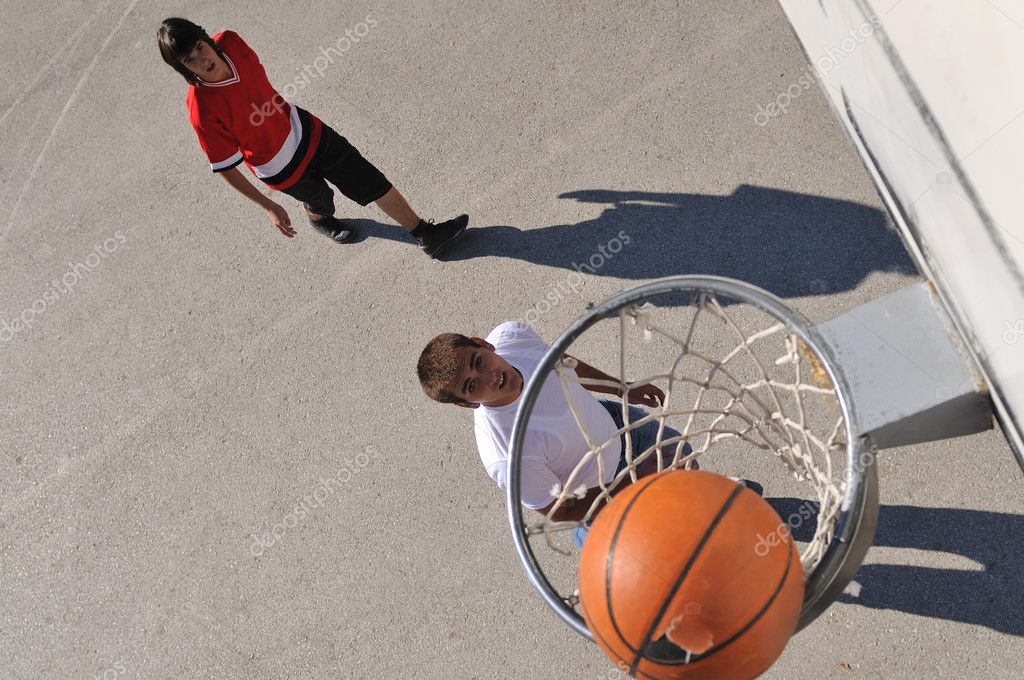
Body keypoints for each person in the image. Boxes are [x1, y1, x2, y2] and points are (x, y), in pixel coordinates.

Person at [157, 18, 468, 256]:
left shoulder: (232, 42)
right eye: (189, 60)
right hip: (281, 169)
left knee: (369, 179)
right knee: (322, 202)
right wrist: (268, 206)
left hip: (307, 131)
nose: (202, 59)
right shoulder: (202, 109)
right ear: (181, 68)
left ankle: (425, 234)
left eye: (199, 46)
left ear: (205, 37)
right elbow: (225, 167)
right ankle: (319, 219)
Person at [417, 321, 698, 546]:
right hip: (600, 489)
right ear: (466, 403)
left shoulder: (513, 336)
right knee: (659, 546)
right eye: (471, 385)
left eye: (478, 362)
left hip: (615, 423)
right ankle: (591, 538)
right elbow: (559, 510)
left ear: (482, 343)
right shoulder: (506, 455)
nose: (489, 378)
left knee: (687, 465)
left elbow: (560, 361)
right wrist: (635, 485)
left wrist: (622, 387)